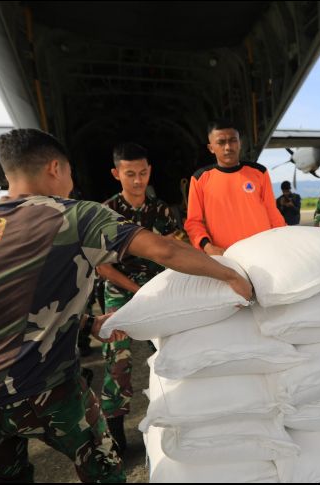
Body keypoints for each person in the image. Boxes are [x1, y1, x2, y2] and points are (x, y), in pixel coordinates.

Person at [0, 128, 253, 482]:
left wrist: (88, 324)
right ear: (55, 168)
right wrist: (230, 277)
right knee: (104, 473)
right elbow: (165, 250)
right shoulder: (75, 215)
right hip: (45, 392)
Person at [95, 142, 183, 454]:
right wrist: (137, 292)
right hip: (121, 294)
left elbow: (176, 250)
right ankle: (116, 433)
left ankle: (175, 419)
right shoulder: (105, 212)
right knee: (118, 363)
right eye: (130, 174)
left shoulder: (161, 210)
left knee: (170, 355)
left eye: (143, 173)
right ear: (116, 174)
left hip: (158, 292)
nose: (137, 180)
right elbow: (103, 266)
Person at [185, 119, 286, 255]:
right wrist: (208, 247)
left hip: (264, 250)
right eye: (221, 142)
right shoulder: (200, 179)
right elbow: (193, 222)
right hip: (226, 255)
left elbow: (272, 212)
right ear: (211, 148)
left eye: (233, 140)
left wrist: (285, 237)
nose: (228, 147)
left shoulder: (259, 172)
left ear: (240, 143)